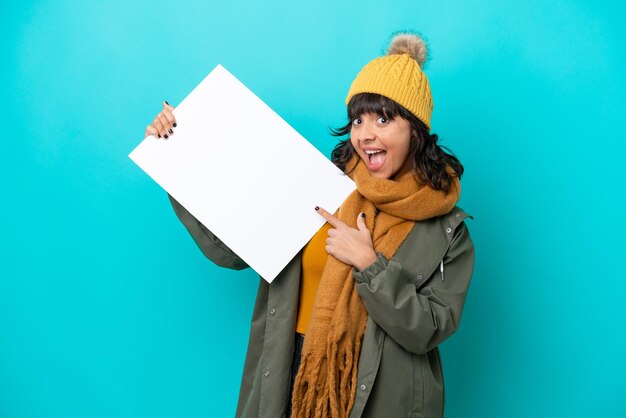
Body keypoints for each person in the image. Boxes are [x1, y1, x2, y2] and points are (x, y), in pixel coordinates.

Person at [144, 31, 475, 418]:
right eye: (357, 119)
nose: (365, 134)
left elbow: (429, 329)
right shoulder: (319, 188)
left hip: (378, 395)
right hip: (289, 375)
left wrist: (371, 266)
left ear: (416, 131)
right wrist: (175, 153)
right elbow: (229, 250)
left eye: (384, 118)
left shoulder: (448, 230)